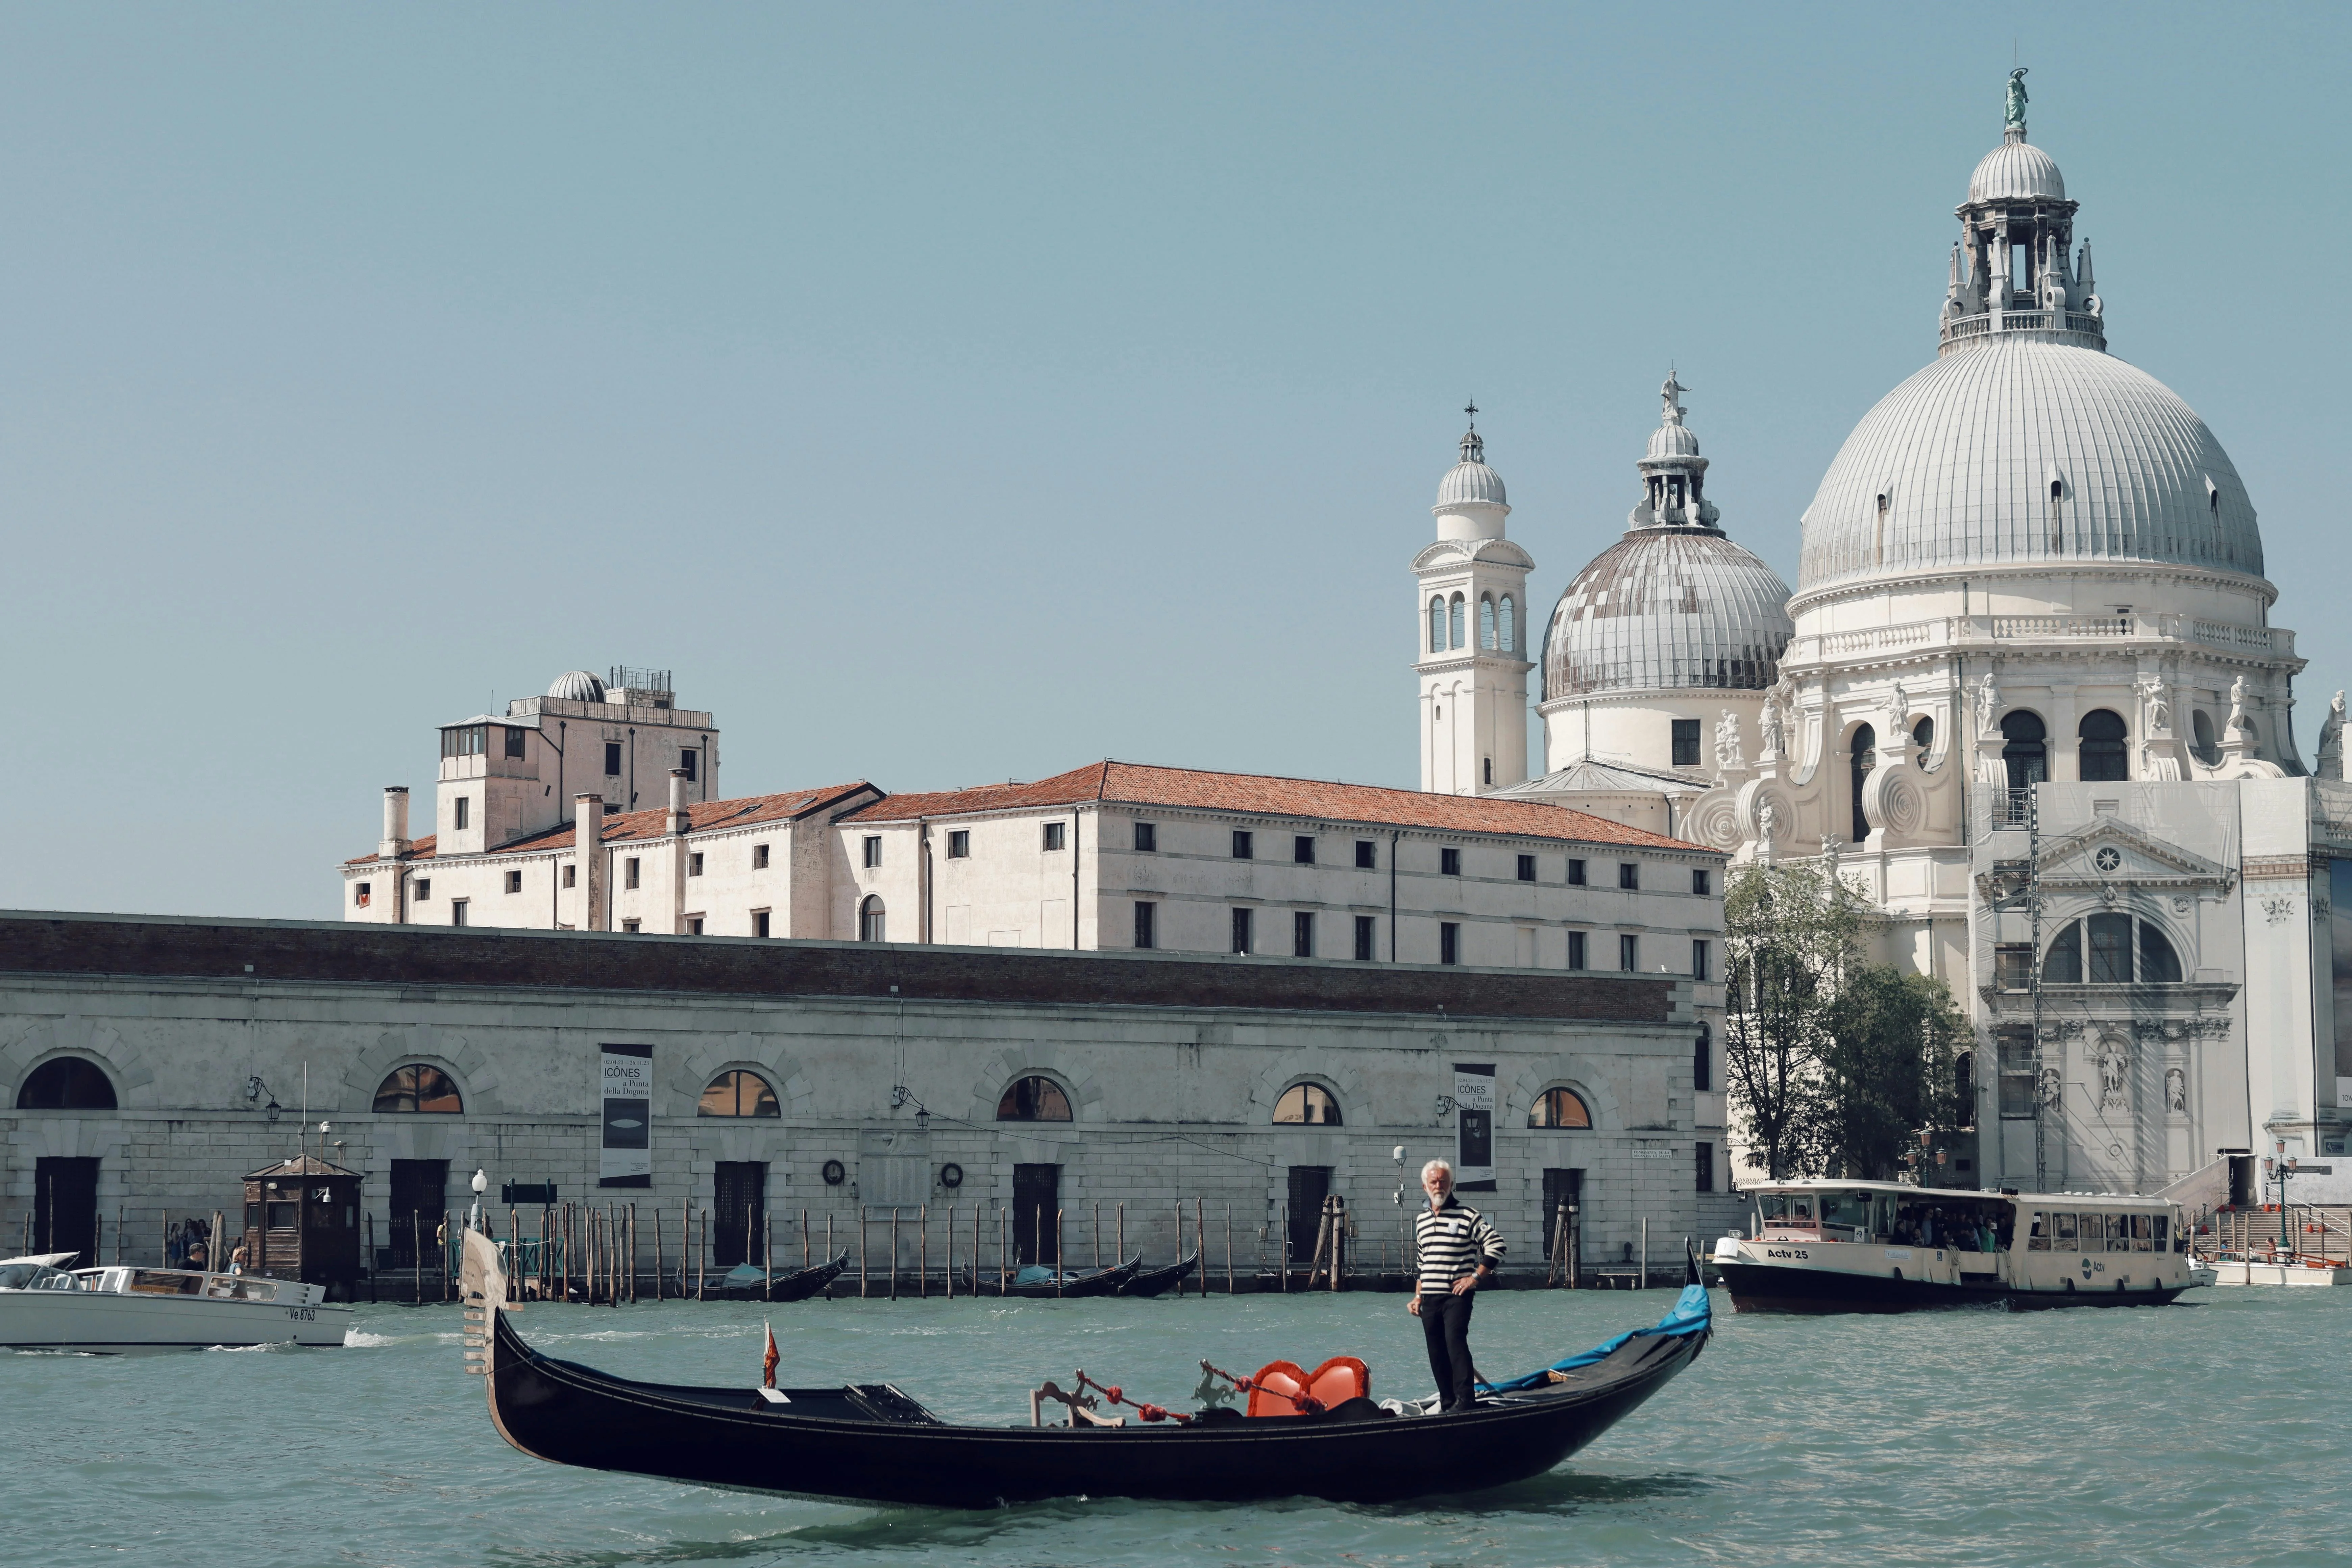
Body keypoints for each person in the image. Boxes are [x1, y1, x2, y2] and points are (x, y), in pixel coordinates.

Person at [1406, 1159, 1506, 1414]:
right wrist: (1417, 1297)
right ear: (1424, 1186)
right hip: (1429, 1298)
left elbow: (1497, 1246)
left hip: (1456, 1296)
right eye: (1434, 1182)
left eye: (1443, 1181)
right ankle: (1448, 1402)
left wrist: (1475, 1277)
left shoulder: (1468, 1215)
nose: (1438, 1186)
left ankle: (1466, 1402)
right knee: (1436, 1352)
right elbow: (1423, 1264)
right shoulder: (1421, 1222)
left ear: (1452, 1184)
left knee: (1455, 1343)